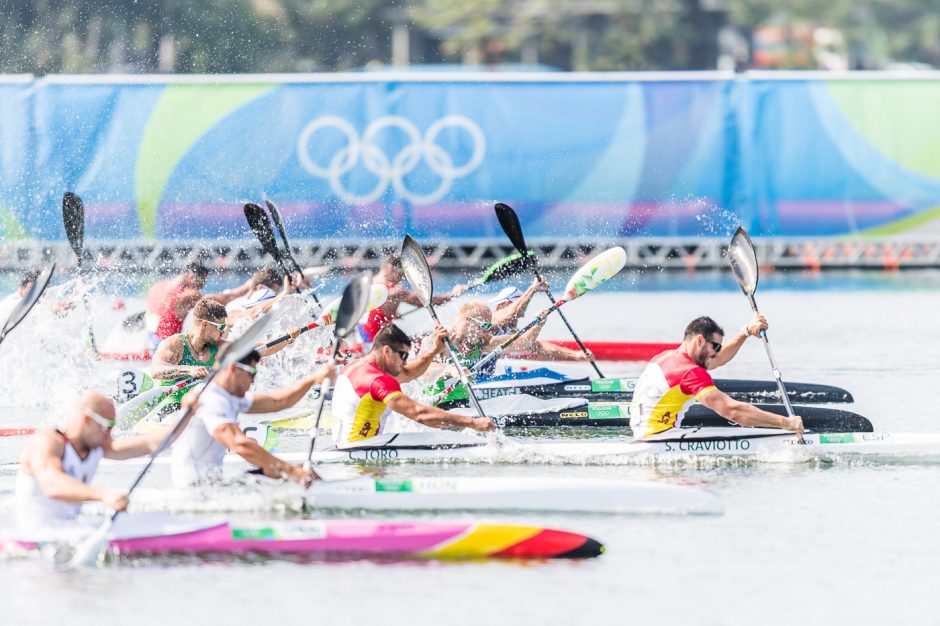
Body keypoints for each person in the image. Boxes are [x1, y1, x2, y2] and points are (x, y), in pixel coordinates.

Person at [169, 350, 335, 487]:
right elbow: (240, 445)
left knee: (290, 474)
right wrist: (290, 471)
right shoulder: (212, 399)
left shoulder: (229, 396)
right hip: (194, 491)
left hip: (211, 485)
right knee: (290, 476)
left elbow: (278, 401)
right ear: (233, 368)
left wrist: (313, 380)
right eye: (252, 373)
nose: (254, 380)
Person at [15, 392, 174, 531]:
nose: (109, 434)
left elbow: (151, 443)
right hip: (36, 537)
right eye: (107, 426)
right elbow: (52, 485)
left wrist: (189, 412)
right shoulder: (47, 442)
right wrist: (103, 495)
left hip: (68, 530)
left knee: (157, 518)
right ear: (87, 419)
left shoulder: (97, 446)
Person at [629, 315, 804, 440]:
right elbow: (732, 411)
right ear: (699, 340)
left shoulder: (664, 358)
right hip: (659, 439)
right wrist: (786, 423)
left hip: (644, 436)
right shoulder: (690, 372)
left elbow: (718, 360)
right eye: (715, 346)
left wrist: (746, 332)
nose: (716, 353)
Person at [332, 323, 494, 447]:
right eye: (403, 355)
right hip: (360, 450)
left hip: (346, 445)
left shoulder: (357, 365)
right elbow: (420, 414)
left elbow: (409, 373)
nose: (404, 362)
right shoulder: (378, 381)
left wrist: (435, 350)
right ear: (387, 351)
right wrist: (473, 423)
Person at [150, 298, 299, 415]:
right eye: (221, 327)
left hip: (197, 408)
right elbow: (157, 371)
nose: (223, 331)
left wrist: (287, 338)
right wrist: (189, 370)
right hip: (168, 407)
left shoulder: (219, 347)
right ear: (204, 325)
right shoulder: (175, 344)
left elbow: (259, 348)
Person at [358, 255, 467, 347]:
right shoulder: (396, 290)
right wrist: (453, 294)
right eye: (402, 273)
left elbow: (374, 311)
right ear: (391, 268)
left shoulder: (369, 283)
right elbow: (426, 301)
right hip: (375, 343)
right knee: (430, 337)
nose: (402, 277)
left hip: (361, 338)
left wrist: (391, 313)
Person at [147, 262, 256, 350]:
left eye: (205, 280)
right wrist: (247, 286)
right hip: (165, 344)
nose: (203, 283)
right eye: (200, 279)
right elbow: (224, 299)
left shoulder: (167, 287)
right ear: (190, 277)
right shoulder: (190, 294)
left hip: (154, 337)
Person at [489, 278, 589, 361]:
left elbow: (539, 347)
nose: (522, 314)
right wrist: (533, 289)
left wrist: (576, 355)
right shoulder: (490, 320)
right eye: (523, 304)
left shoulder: (511, 331)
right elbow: (512, 313)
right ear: (504, 304)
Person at [0, 270, 73, 323]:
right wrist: (52, 311)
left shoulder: (39, 296)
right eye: (42, 291)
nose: (41, 295)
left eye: (44, 291)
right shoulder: (12, 302)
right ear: (27, 286)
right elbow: (34, 315)